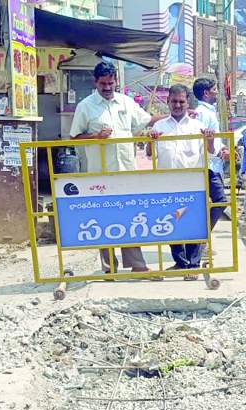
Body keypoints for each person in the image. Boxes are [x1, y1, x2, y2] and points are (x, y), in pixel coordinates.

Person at [70, 62, 164, 276]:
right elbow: (74, 136)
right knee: (104, 218)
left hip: (126, 171)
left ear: (116, 81)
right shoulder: (86, 106)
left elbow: (147, 121)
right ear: (96, 82)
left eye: (110, 83)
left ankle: (137, 265)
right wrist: (95, 136)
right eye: (103, 83)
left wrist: (176, 114)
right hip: (100, 175)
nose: (107, 87)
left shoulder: (126, 103)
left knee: (130, 216)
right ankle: (109, 266)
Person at [147, 85, 216, 279]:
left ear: (187, 103)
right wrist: (151, 141)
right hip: (167, 183)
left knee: (194, 223)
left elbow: (210, 151)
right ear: (168, 102)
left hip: (192, 183)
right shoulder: (159, 127)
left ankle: (193, 266)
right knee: (172, 223)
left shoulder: (197, 126)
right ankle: (180, 263)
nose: (177, 105)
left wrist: (210, 140)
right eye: (174, 101)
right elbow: (150, 154)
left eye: (181, 101)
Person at [191, 78, 229, 238]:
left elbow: (214, 137)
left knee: (213, 202)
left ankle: (200, 240)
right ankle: (200, 238)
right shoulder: (201, 113)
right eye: (214, 89)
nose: (217, 92)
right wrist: (217, 151)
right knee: (220, 201)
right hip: (207, 165)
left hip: (213, 164)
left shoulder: (209, 111)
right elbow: (201, 138)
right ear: (206, 93)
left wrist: (223, 149)